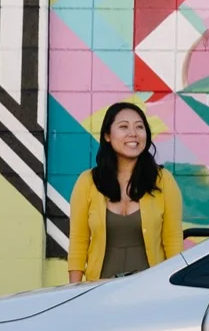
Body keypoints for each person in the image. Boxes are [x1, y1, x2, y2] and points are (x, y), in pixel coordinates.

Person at [67, 102, 184, 283]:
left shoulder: (163, 181)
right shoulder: (87, 182)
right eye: (123, 127)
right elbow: (78, 242)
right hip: (98, 292)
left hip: (150, 292)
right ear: (107, 135)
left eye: (139, 127)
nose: (133, 133)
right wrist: (72, 293)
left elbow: (173, 243)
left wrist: (174, 292)